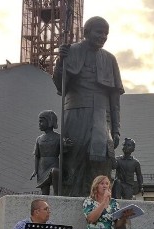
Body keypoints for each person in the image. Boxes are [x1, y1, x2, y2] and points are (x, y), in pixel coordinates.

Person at [53, 16, 125, 197]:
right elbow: (60, 85)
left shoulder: (110, 59)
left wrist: (116, 129)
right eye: (99, 32)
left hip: (102, 116)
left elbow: (115, 100)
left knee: (102, 161)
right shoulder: (71, 51)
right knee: (73, 160)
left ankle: (99, 204)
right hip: (75, 113)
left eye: (106, 33)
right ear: (86, 32)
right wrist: (60, 62)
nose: (103, 36)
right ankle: (70, 200)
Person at [31, 110, 61, 196]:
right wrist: (36, 170)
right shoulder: (39, 139)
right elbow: (37, 155)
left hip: (54, 163)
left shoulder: (58, 137)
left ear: (49, 121)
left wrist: (66, 145)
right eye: (39, 121)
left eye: (41, 121)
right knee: (44, 192)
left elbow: (64, 151)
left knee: (55, 173)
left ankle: (57, 196)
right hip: (42, 166)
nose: (39, 124)